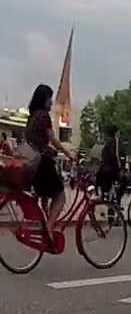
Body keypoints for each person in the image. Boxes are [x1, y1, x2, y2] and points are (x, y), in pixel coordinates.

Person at [24, 84, 77, 223]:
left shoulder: (32, 116)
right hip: (41, 161)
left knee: (45, 194)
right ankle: (50, 228)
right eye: (49, 98)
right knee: (60, 196)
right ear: (43, 99)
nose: (51, 102)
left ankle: (44, 220)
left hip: (31, 161)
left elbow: (34, 139)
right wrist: (68, 154)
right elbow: (53, 139)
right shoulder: (43, 115)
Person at [95, 125, 123, 202]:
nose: (120, 133)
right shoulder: (114, 141)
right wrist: (119, 166)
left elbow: (105, 155)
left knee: (108, 185)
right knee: (124, 181)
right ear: (116, 133)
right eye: (119, 131)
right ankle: (116, 199)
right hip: (110, 169)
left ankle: (108, 198)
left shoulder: (108, 142)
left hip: (105, 169)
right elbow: (115, 155)